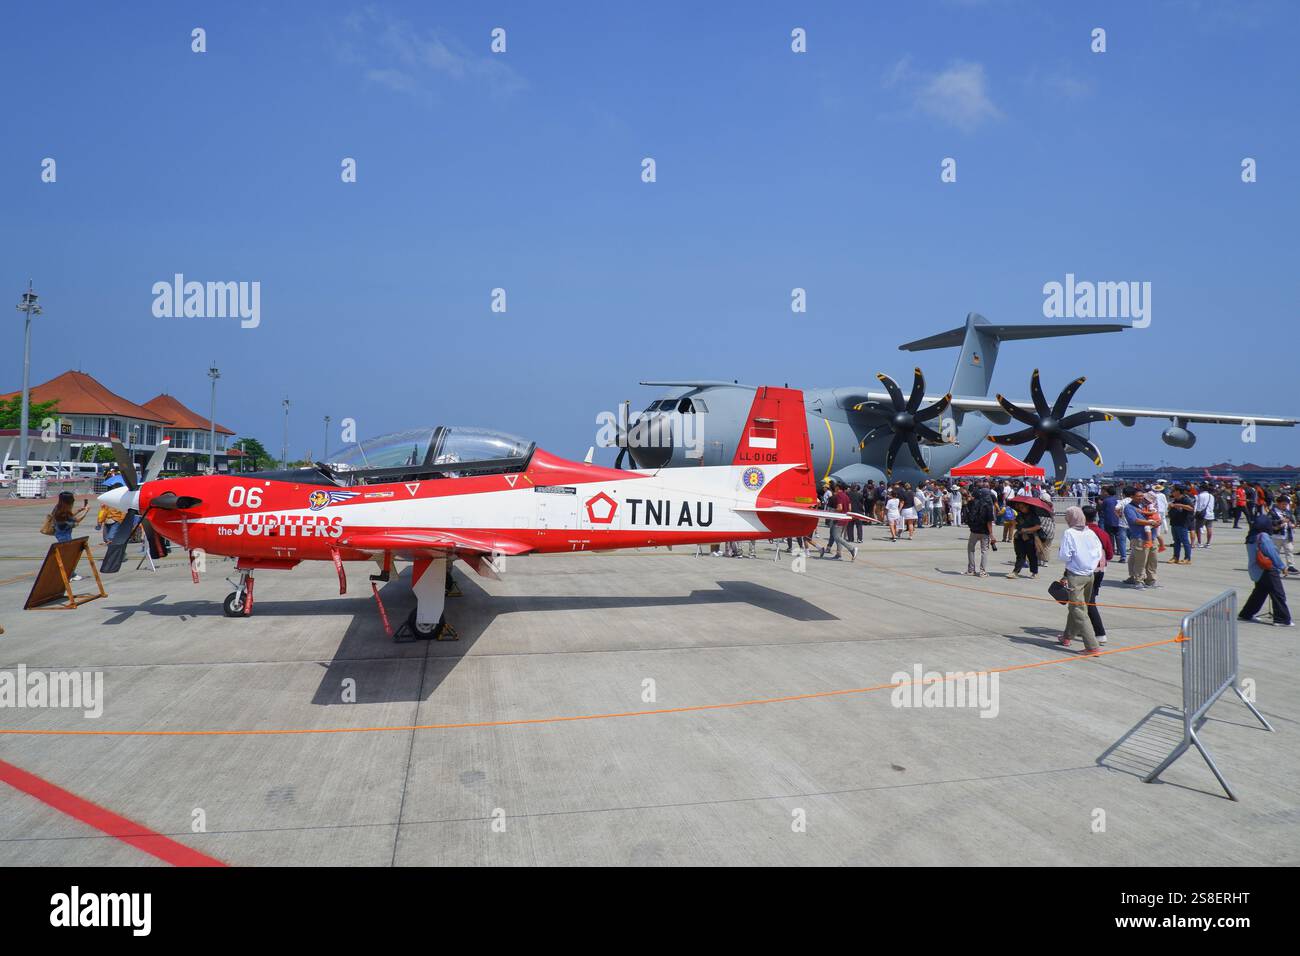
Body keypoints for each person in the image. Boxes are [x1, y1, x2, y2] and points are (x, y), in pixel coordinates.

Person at [1056, 506, 1102, 655]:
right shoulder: (1090, 532)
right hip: (1090, 575)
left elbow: (1064, 556)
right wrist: (1090, 564)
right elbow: (1098, 551)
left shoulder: (1069, 533)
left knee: (1078, 609)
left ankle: (1092, 645)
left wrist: (1073, 563)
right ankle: (1067, 636)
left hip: (1075, 575)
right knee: (1078, 607)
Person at [1239, 513, 1293, 626]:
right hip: (1267, 569)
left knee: (1259, 593)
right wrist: (1282, 566)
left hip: (1256, 570)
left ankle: (1246, 613)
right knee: (1278, 593)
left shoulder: (1251, 536)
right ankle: (1281, 619)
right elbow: (1271, 553)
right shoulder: (1263, 536)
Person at [1082, 505, 1112, 644]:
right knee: (1085, 600)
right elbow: (1110, 554)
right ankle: (1076, 629)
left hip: (1084, 570)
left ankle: (1100, 633)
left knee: (1089, 602)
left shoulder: (1081, 532)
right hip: (1100, 569)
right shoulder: (1102, 533)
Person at [46, 492, 90, 581]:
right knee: (68, 557)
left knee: (67, 556)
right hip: (64, 536)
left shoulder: (59, 508)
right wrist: (86, 511)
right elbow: (76, 521)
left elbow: (69, 517)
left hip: (61, 534)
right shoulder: (63, 511)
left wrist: (79, 510)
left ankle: (70, 574)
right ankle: (70, 575)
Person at [1124, 491, 1160, 588]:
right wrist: (1151, 523)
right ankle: (1138, 580)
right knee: (1141, 560)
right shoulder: (1129, 508)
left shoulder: (1144, 506)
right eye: (1138, 496)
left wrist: (1157, 521)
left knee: (1153, 560)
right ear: (1132, 496)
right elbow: (1134, 520)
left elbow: (1154, 514)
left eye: (1142, 496)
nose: (1140, 498)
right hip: (1139, 537)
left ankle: (1151, 579)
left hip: (1152, 537)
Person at [964, 487, 995, 576]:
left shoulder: (972, 503)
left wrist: (969, 498)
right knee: (984, 551)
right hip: (984, 531)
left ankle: (971, 570)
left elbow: (968, 501)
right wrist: (991, 534)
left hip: (974, 530)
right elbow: (989, 521)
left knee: (970, 549)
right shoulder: (988, 506)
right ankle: (982, 571)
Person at [1006, 502, 1041, 579]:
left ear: (1027, 506)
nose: (1020, 509)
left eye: (1022, 507)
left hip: (1030, 538)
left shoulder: (1033, 515)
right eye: (1019, 507)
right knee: (1020, 556)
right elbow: (1017, 525)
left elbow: (1038, 527)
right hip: (1019, 538)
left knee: (1032, 556)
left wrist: (1026, 530)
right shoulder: (1019, 515)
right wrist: (1013, 522)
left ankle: (1034, 572)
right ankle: (1015, 572)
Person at [1167, 484, 1195, 564]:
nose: (1172, 492)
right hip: (1174, 522)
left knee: (1185, 541)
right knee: (1176, 541)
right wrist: (1170, 507)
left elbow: (1191, 508)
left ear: (1178, 491)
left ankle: (1187, 558)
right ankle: (1175, 557)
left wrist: (1179, 505)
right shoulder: (1175, 499)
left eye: (1174, 490)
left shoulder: (1185, 499)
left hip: (1182, 523)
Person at [1193, 483, 1215, 548]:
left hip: (1202, 514)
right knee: (1209, 528)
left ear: (1202, 488)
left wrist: (1195, 513)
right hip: (1210, 514)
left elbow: (1198, 506)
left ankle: (1200, 542)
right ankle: (1208, 543)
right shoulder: (1211, 496)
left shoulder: (1200, 496)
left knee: (1198, 528)